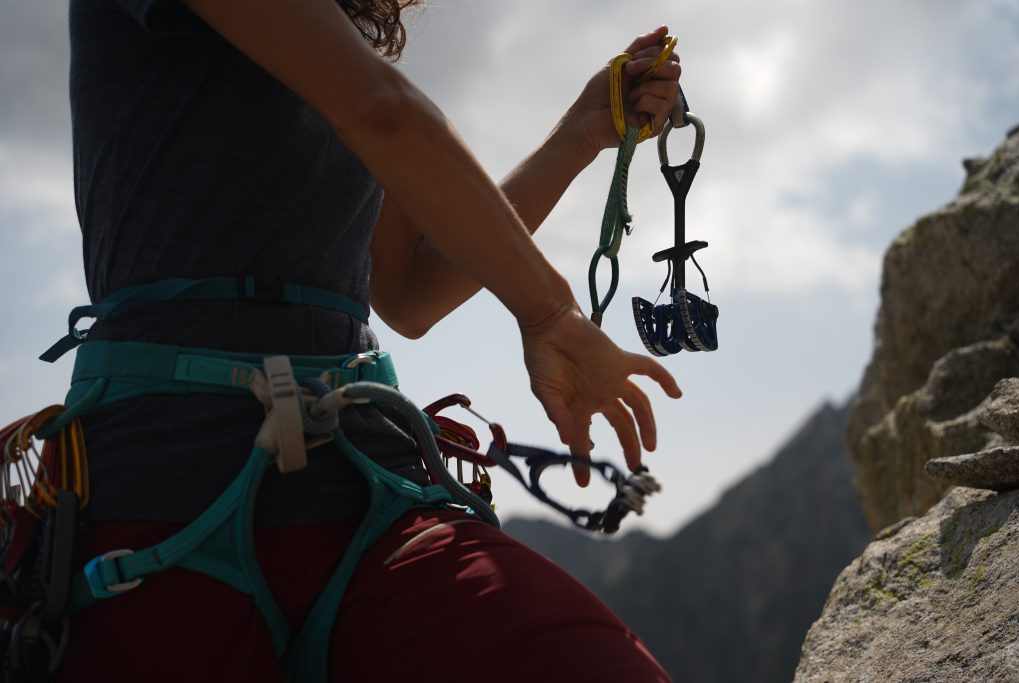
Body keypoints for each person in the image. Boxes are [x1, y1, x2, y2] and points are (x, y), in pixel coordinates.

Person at [55, 0, 684, 680]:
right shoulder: (358, 75)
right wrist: (550, 312)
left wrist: (578, 136)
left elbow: (409, 291)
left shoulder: (342, 38)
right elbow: (381, 109)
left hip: (355, 482)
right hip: (174, 478)